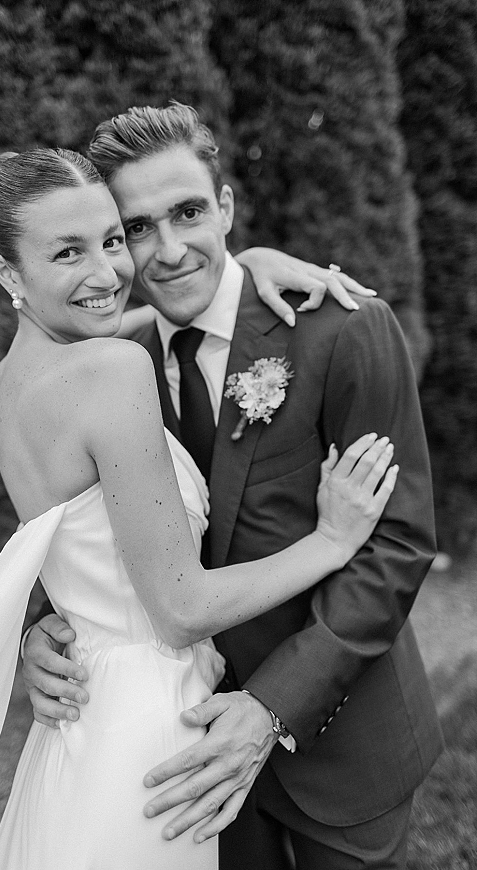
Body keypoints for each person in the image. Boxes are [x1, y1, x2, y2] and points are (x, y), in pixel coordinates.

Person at [0, 147, 396, 870]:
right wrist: (331, 539)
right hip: (153, 728)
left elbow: (78, 555)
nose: (107, 273)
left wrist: (245, 261)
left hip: (81, 726)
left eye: (110, 240)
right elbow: (180, 608)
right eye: (68, 252)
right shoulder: (113, 368)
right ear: (7, 273)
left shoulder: (7, 386)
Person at [24, 104, 444, 869]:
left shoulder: (343, 330)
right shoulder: (118, 361)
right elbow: (94, 519)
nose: (169, 249)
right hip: (188, 750)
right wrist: (44, 628)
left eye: (188, 212)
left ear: (225, 208)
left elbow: (397, 545)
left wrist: (270, 706)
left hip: (342, 743)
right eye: (137, 227)